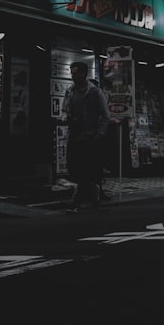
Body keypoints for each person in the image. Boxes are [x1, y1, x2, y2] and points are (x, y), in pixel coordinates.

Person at [64, 61, 110, 213]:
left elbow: (105, 115)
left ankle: (77, 199)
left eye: (75, 73)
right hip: (74, 135)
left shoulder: (95, 92)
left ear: (84, 73)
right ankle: (94, 189)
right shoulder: (70, 91)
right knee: (75, 168)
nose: (73, 76)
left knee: (85, 168)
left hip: (90, 136)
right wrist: (67, 117)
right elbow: (65, 109)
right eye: (72, 73)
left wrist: (100, 134)